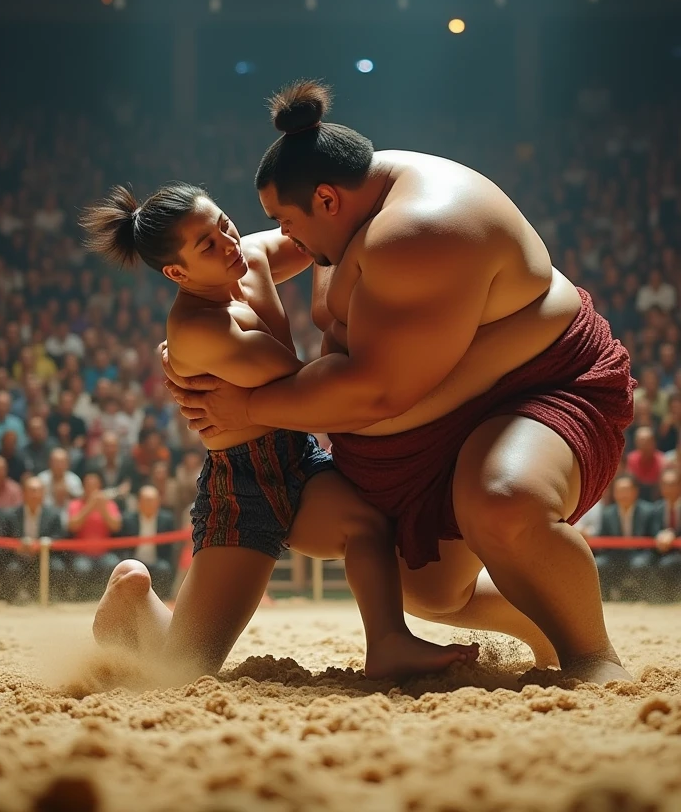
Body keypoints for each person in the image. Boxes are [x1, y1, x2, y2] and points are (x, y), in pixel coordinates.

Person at [162, 81, 635, 684]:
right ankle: (542, 619)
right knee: (429, 587)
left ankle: (592, 656)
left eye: (287, 222)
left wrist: (251, 405)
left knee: (501, 499)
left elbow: (378, 391)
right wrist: (186, 345)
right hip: (429, 433)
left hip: (539, 390)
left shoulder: (419, 229)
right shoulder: (349, 216)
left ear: (327, 200)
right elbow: (218, 282)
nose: (286, 239)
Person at [80, 182, 481, 682]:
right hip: (241, 490)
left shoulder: (248, 255)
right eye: (207, 244)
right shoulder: (200, 331)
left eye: (224, 224)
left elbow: (323, 241)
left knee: (367, 526)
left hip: (298, 457)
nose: (229, 243)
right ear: (177, 273)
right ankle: (131, 603)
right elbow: (296, 377)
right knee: (183, 669)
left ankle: (388, 642)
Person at [3, 477, 66, 603]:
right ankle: (15, 597)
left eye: (38, 491)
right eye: (31, 491)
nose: (34, 495)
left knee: (57, 567)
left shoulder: (53, 515)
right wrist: (17, 547)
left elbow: (59, 538)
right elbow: (5, 540)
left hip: (44, 557)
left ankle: (52, 597)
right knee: (11, 569)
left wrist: (43, 546)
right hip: (19, 557)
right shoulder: (11, 515)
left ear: (43, 494)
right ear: (24, 493)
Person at [593, 476, 654, 601]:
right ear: (614, 493)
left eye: (626, 490)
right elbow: (602, 538)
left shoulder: (648, 511)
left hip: (639, 553)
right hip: (615, 554)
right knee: (598, 563)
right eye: (619, 491)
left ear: (635, 491)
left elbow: (653, 536)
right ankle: (605, 599)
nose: (623, 494)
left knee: (640, 564)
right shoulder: (608, 513)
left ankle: (642, 598)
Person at [67, 471, 122, 598]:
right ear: (83, 487)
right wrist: (90, 506)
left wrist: (102, 508)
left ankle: (106, 597)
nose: (91, 489)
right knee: (82, 569)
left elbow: (116, 526)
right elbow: (72, 526)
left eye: (94, 485)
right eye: (88, 485)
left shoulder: (109, 504)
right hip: (82, 555)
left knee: (113, 565)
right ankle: (82, 596)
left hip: (104, 554)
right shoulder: (75, 504)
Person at [121, 486, 176, 598]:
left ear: (158, 502)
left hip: (158, 560)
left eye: (153, 500)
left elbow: (171, 547)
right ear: (139, 502)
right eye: (147, 500)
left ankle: (161, 599)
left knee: (164, 568)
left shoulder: (167, 520)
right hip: (134, 560)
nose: (150, 504)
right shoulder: (128, 519)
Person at [648, 469, 681, 602]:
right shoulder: (657, 508)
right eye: (665, 485)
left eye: (672, 484)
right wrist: (660, 535)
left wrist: (673, 535)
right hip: (661, 551)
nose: (668, 488)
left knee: (667, 565)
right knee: (642, 563)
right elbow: (653, 530)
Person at [625, 427, 666, 502]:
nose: (644, 444)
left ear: (654, 442)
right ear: (636, 442)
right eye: (641, 441)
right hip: (635, 500)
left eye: (647, 441)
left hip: (658, 500)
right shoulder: (630, 460)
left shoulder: (662, 460)